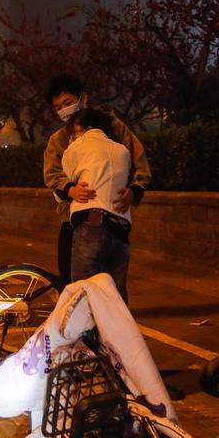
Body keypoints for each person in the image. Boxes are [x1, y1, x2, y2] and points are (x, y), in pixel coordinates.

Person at [43, 74, 150, 295]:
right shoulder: (59, 140)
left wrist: (134, 190)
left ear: (83, 98)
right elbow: (52, 173)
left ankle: (102, 326)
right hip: (73, 219)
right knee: (72, 282)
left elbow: (139, 160)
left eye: (67, 103)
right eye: (57, 107)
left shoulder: (114, 127)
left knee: (110, 285)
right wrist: (70, 189)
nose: (63, 110)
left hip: (113, 216)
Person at [62, 108, 133, 297]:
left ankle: (88, 328)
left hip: (91, 224)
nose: (73, 138)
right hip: (120, 229)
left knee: (83, 295)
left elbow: (64, 181)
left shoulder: (76, 148)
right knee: (115, 298)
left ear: (82, 128)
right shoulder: (123, 151)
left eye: (74, 133)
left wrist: (71, 189)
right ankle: (116, 328)